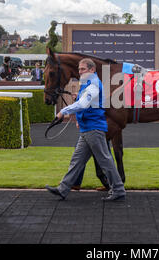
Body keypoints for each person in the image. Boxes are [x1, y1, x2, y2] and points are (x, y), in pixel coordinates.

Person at [45, 58, 126, 202]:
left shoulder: (93, 84)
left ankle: (118, 189)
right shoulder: (88, 84)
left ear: (92, 70)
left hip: (93, 129)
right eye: (79, 69)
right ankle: (63, 189)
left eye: (83, 69)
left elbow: (83, 104)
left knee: (105, 161)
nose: (80, 71)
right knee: (77, 161)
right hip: (87, 129)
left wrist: (63, 111)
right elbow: (86, 101)